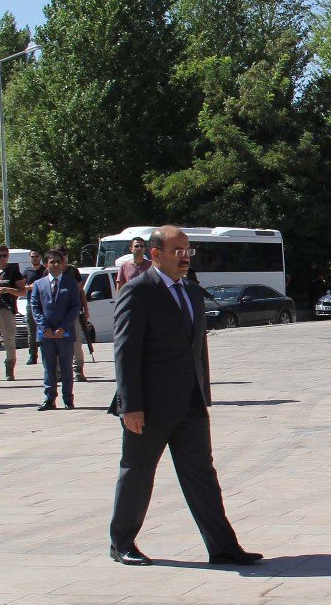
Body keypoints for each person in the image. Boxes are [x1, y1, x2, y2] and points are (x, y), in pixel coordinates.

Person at [107, 225, 262, 567]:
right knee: (137, 473)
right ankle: (122, 542)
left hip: (189, 403)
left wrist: (203, 392)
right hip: (148, 407)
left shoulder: (191, 291)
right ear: (155, 254)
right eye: (176, 250)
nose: (184, 257)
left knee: (202, 475)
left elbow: (197, 349)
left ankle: (222, 546)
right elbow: (126, 352)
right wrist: (129, 405)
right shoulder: (138, 291)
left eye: (187, 250)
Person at [29, 249, 79, 410]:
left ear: (63, 264)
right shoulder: (38, 284)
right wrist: (44, 327)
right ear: (46, 264)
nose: (56, 265)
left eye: (58, 261)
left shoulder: (70, 284)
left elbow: (74, 307)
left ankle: (68, 399)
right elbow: (35, 307)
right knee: (49, 367)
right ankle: (49, 398)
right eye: (52, 262)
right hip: (46, 334)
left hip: (64, 333)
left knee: (66, 367)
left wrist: (63, 327)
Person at [0, 245, 26, 381]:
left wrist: (8, 290)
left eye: (4, 255)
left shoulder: (14, 272)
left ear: (8, 256)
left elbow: (22, 291)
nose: (2, 258)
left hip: (7, 310)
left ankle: (9, 368)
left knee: (9, 340)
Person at [58, 249, 89, 382]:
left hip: (73, 310)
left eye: (64, 255)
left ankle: (78, 369)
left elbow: (80, 290)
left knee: (76, 340)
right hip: (56, 312)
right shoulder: (49, 271)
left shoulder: (72, 271)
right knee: (57, 341)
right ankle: (58, 371)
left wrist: (86, 308)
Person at [22, 250, 47, 366]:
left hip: (43, 304)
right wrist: (30, 287)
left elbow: (45, 285)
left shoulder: (45, 271)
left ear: (40, 257)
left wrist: (35, 286)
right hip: (31, 303)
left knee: (43, 329)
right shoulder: (26, 271)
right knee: (31, 331)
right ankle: (32, 355)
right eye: (32, 256)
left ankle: (45, 354)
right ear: (29, 258)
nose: (35, 258)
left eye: (37, 256)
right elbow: (22, 287)